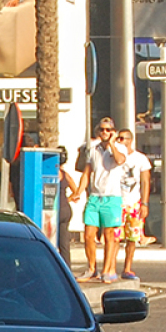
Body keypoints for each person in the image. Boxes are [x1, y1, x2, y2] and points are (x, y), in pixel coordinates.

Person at [71, 117, 127, 283]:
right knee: (89, 233)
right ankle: (91, 267)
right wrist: (79, 191)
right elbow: (87, 173)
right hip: (96, 197)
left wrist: (111, 144)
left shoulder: (119, 148)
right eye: (102, 129)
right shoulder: (93, 150)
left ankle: (108, 269)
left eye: (108, 130)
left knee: (109, 235)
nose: (104, 132)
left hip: (112, 197)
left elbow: (119, 160)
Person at [114, 129, 152, 279]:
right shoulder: (114, 157)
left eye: (122, 138)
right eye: (118, 138)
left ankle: (127, 268)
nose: (119, 141)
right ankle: (111, 267)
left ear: (130, 140)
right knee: (115, 237)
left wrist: (144, 203)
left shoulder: (140, 159)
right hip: (118, 202)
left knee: (132, 238)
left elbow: (145, 181)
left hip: (133, 202)